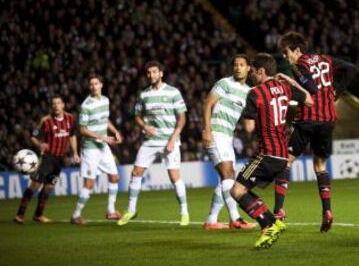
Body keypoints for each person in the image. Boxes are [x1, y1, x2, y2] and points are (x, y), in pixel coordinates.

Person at [275, 31, 356, 232]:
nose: (285, 57)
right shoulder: (326, 59)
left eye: (286, 52)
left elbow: (310, 87)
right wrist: (338, 89)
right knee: (320, 164)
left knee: (286, 160)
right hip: (328, 120)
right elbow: (351, 69)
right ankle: (327, 211)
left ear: (297, 50)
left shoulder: (299, 65)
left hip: (308, 118)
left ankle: (278, 212)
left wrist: (290, 80)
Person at [231, 53, 313, 248]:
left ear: (261, 71)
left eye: (252, 71)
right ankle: (272, 222)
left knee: (237, 191)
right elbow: (309, 99)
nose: (251, 75)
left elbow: (249, 128)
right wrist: (291, 81)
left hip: (267, 153)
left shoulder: (255, 93)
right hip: (282, 156)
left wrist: (246, 113)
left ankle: (267, 225)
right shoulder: (285, 87)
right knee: (245, 190)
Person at [117, 61, 189, 227]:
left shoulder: (173, 92)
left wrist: (172, 139)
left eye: (154, 72)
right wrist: (144, 126)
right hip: (150, 142)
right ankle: (131, 210)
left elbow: (182, 118)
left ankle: (184, 212)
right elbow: (137, 115)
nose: (151, 75)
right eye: (149, 73)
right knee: (136, 172)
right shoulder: (143, 95)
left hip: (169, 140)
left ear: (161, 73)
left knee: (174, 176)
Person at [202, 55, 256, 230]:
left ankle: (211, 221)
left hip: (227, 137)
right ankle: (235, 219)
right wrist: (207, 130)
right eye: (235, 65)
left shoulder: (249, 92)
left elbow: (248, 126)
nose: (238, 68)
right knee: (227, 174)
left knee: (227, 177)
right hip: (216, 132)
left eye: (242, 65)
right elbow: (207, 104)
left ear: (249, 68)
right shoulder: (224, 83)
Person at [14, 95, 80, 224]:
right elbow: (33, 137)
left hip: (60, 160)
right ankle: (20, 215)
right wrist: (40, 144)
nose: (56, 106)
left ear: (63, 105)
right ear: (51, 106)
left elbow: (72, 136)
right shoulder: (46, 121)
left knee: (49, 187)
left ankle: (38, 215)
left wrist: (75, 152)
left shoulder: (70, 119)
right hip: (47, 158)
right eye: (53, 103)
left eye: (58, 103)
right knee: (35, 185)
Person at [71, 74, 123, 225]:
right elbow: (82, 129)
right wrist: (102, 138)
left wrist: (115, 131)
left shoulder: (106, 100)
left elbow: (104, 119)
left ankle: (110, 210)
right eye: (91, 84)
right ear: (89, 87)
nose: (94, 86)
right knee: (90, 184)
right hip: (90, 149)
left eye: (96, 83)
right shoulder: (86, 105)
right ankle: (75, 215)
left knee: (114, 177)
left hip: (103, 146)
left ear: (101, 85)